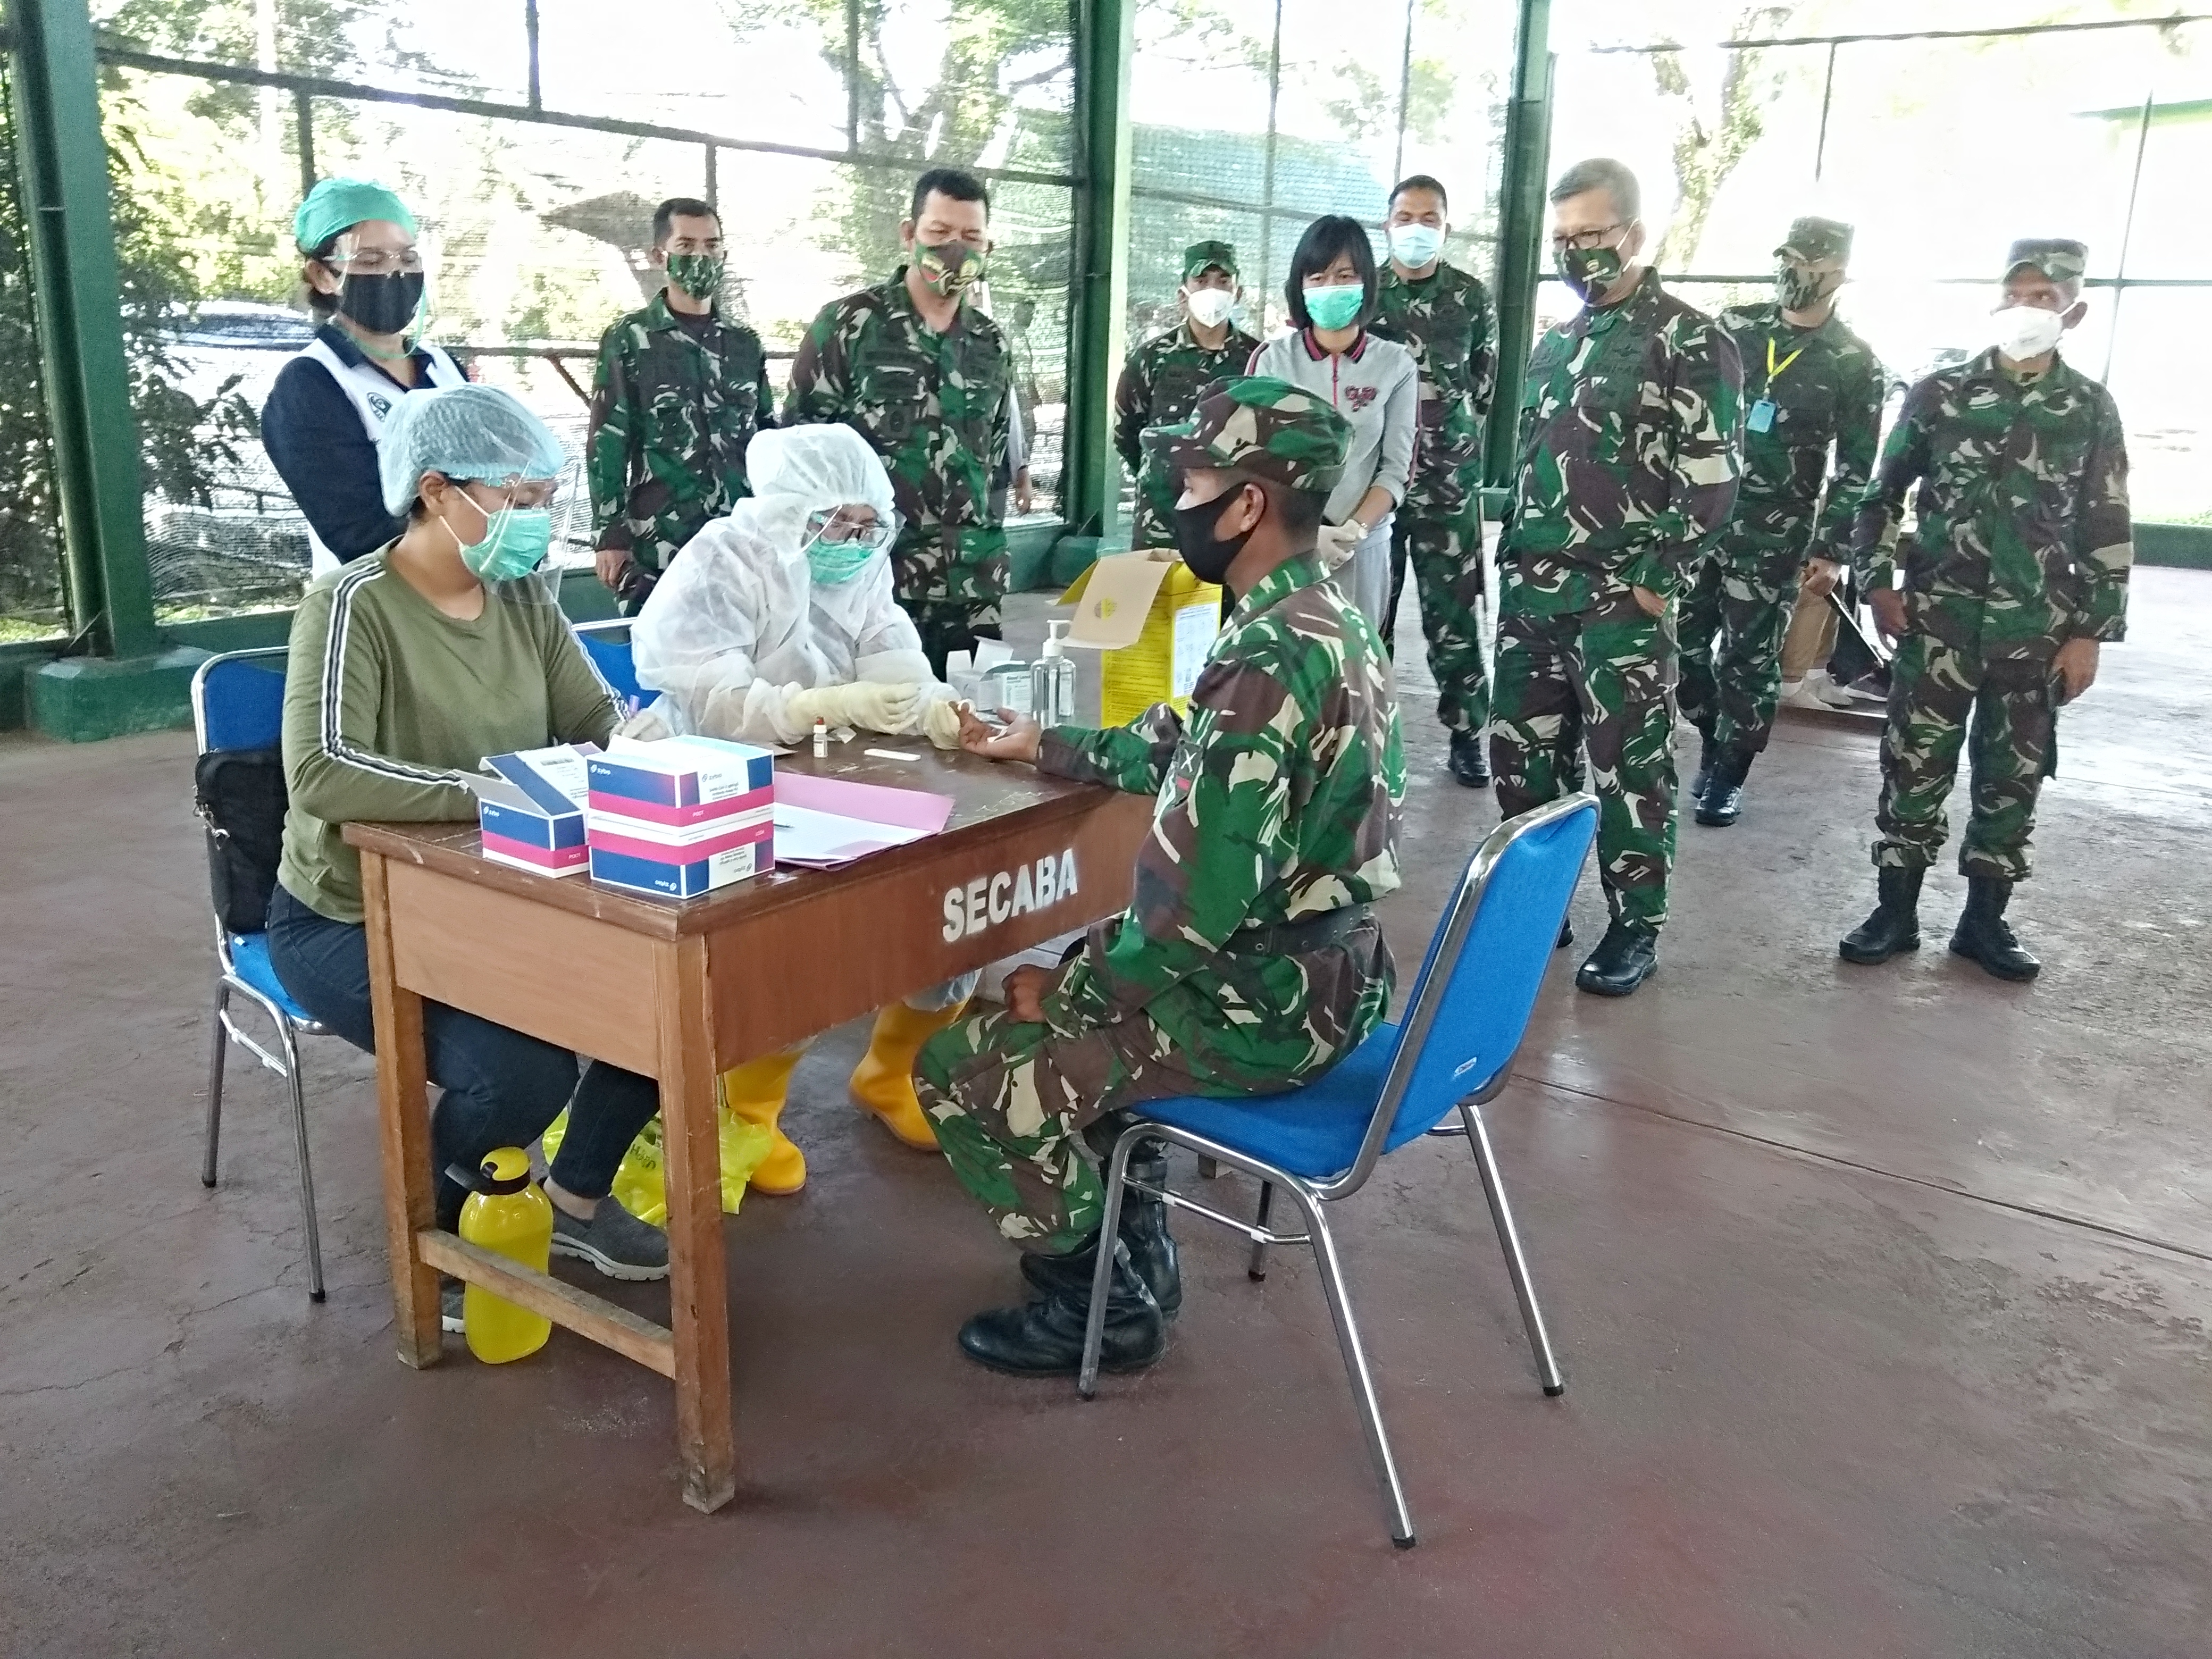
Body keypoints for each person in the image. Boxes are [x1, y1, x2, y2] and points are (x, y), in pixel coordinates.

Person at [914, 378, 1405, 1376]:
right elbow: (1195, 752)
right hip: (1338, 980)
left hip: (1263, 1010)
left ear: (1249, 504)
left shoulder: (1266, 654)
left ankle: (1093, 1305)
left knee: (965, 1065)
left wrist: (1071, 987)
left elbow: (1189, 917)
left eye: (1194, 478)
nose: (1176, 498)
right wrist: (1044, 741)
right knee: (1069, 1011)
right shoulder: (1325, 620)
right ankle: (1136, 1250)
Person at [265, 384, 669, 1330]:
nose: (535, 521)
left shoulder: (523, 594)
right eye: (518, 499)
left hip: (504, 895)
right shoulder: (353, 605)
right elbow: (320, 774)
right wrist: (493, 791)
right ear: (439, 491)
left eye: (543, 499)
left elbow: (593, 720)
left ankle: (570, 1201)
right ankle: (444, 1238)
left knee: (668, 1000)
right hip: (349, 914)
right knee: (521, 1076)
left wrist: (644, 753)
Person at [627, 424, 977, 1185]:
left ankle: (892, 1072)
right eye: (835, 523)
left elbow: (892, 653)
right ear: (791, 511)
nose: (852, 542)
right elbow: (715, 699)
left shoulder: (861, 568)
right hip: (724, 777)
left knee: (948, 913)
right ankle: (745, 1114)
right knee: (789, 957)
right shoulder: (726, 558)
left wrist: (933, 707)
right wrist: (815, 704)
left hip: (834, 776)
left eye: (866, 525)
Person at [1838, 239, 2130, 982]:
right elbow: (1879, 497)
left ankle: (1984, 922)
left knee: (2012, 777)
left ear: (2074, 311)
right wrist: (1876, 583)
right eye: (2018, 293)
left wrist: (2091, 633)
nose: (2028, 308)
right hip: (1936, 621)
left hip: (2036, 631)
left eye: (2045, 297)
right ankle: (1894, 912)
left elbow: (2107, 523)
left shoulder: (2089, 408)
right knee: (1913, 766)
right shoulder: (1940, 392)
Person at [1492, 157, 1742, 998]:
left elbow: (1711, 476)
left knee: (1628, 767)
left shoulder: (1689, 339)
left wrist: (1653, 578)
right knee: (1523, 762)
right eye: (1563, 238)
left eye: (1591, 235)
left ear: (1634, 232)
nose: (1575, 252)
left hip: (1616, 600)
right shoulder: (1556, 343)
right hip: (1533, 593)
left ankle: (1635, 928)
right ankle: (1537, 908)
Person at [1680, 216, 1882, 826]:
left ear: (1838, 275)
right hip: (1703, 522)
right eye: (1787, 260)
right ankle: (1712, 737)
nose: (1794, 274)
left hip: (1775, 535)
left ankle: (1728, 772)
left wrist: (1830, 548)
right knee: (1684, 646)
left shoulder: (1853, 362)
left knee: (1748, 656)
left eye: (1810, 266)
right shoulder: (1733, 329)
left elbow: (1854, 467)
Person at [785, 167, 1011, 674]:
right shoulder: (850, 325)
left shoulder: (992, 344)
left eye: (972, 237)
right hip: (874, 586)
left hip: (972, 585)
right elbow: (801, 453)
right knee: (874, 735)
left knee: (969, 734)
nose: (957, 249)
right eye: (940, 233)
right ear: (909, 235)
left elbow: (992, 460)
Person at [262, 178, 468, 575]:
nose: (395, 274)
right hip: (377, 613)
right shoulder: (311, 384)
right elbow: (360, 532)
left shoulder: (444, 367)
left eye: (408, 260)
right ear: (323, 276)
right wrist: (475, 547)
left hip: (469, 595)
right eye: (371, 261)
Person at [1370, 174, 1499, 787]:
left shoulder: (1471, 298)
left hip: (1448, 482)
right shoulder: (1362, 292)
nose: (1415, 227)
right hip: (1373, 484)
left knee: (1453, 614)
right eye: (1404, 216)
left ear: (1446, 226)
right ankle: (1364, 730)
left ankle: (1466, 733)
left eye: (1429, 217)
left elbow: (1483, 383)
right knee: (1371, 612)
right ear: (1387, 223)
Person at [587, 196, 775, 615]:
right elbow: (609, 439)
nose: (702, 256)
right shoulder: (630, 338)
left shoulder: (744, 343)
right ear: (660, 256)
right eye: (686, 246)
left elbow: (767, 435)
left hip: (739, 539)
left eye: (712, 245)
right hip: (660, 544)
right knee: (659, 665)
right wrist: (610, 534)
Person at [1245, 216, 1418, 632]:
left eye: (1345, 276)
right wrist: (1301, 532)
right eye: (1318, 277)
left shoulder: (1396, 365)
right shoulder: (1273, 360)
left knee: (1355, 676)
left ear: (1366, 283)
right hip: (1283, 544)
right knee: (1281, 670)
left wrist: (1355, 530)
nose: (1331, 287)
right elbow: (1254, 459)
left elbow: (1397, 469)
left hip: (1362, 546)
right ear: (1301, 287)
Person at [1113, 240, 1260, 549]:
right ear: (1183, 294)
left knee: (1225, 597)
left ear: (1239, 293)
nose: (1213, 289)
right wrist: (1162, 474)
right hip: (1161, 517)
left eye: (1223, 282)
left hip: (1230, 515)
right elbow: (1128, 432)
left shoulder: (1257, 359)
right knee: (1159, 595)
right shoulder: (1152, 358)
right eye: (1202, 281)